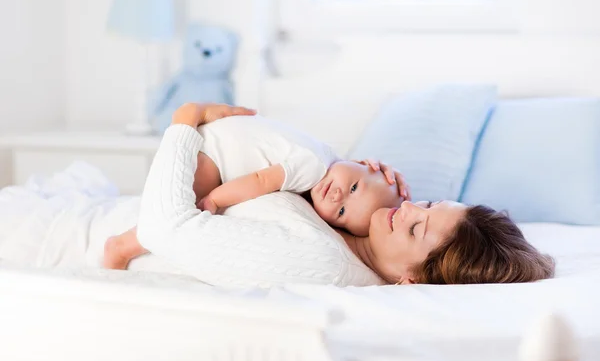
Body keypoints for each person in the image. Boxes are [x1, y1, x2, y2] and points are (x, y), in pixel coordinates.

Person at [105, 102, 555, 286]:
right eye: (430, 204)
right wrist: (358, 176)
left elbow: (164, 229)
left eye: (418, 227)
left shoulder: (323, 264)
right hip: (118, 211)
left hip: (109, 239)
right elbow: (303, 178)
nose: (409, 208)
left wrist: (185, 118)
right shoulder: (358, 232)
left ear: (411, 280)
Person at [104, 103, 411, 269]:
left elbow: (350, 183)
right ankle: (123, 246)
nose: (337, 195)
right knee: (177, 211)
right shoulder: (313, 166)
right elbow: (261, 181)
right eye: (354, 187)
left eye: (342, 210)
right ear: (362, 162)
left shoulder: (333, 164)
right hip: (212, 152)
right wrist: (214, 199)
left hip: (218, 138)